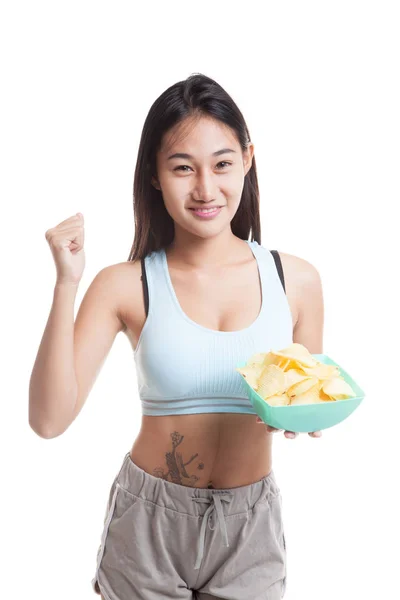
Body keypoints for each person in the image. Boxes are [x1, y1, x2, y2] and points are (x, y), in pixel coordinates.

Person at [29, 72, 324, 600]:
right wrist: (66, 284)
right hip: (148, 521)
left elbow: (307, 393)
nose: (206, 189)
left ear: (248, 159)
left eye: (222, 164)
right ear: (154, 176)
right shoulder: (126, 284)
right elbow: (49, 421)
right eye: (183, 168)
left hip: (249, 525)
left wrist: (306, 414)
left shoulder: (296, 280)